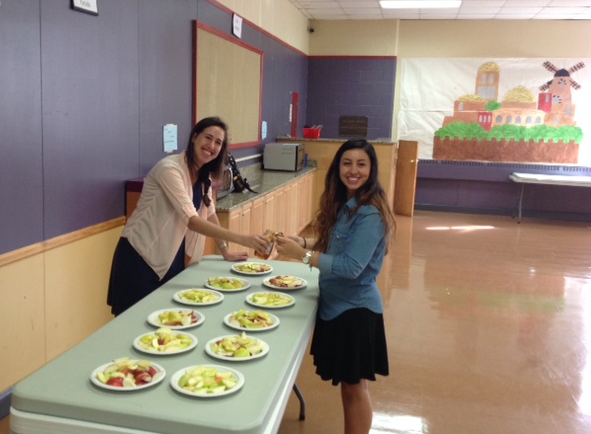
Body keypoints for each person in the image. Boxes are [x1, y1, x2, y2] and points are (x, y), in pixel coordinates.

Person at [275, 139, 396, 434]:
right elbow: (338, 245)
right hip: (336, 306)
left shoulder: (369, 213)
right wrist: (304, 242)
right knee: (350, 386)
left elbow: (351, 266)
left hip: (354, 311)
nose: (353, 170)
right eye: (347, 163)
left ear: (372, 169)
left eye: (361, 164)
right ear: (338, 167)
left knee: (355, 389)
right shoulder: (348, 203)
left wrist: (301, 255)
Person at [107, 117, 271, 316]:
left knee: (167, 320)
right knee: (133, 322)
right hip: (139, 256)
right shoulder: (170, 169)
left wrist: (225, 250)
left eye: (218, 142)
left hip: (170, 254)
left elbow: (210, 213)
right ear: (194, 137)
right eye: (207, 138)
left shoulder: (203, 175)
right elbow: (192, 221)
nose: (211, 146)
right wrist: (243, 239)